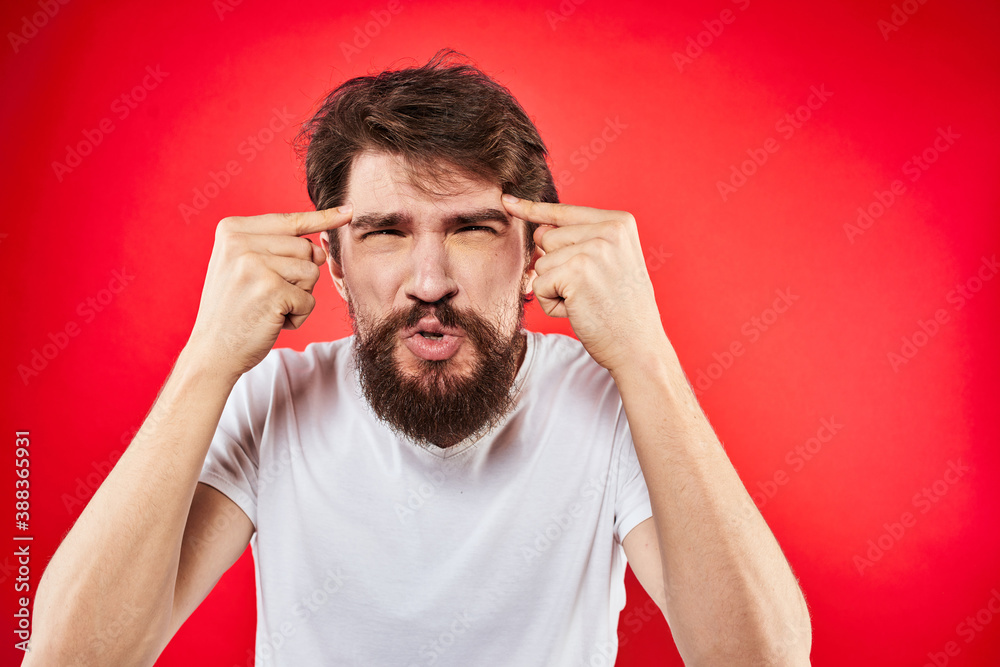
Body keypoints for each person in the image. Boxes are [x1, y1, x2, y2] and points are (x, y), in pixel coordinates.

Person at [24, 49, 811, 666]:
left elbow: (765, 659)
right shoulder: (271, 401)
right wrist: (207, 358)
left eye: (471, 229)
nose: (430, 281)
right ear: (335, 265)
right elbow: (69, 657)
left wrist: (646, 353)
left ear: (533, 254)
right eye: (385, 233)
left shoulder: (607, 405)